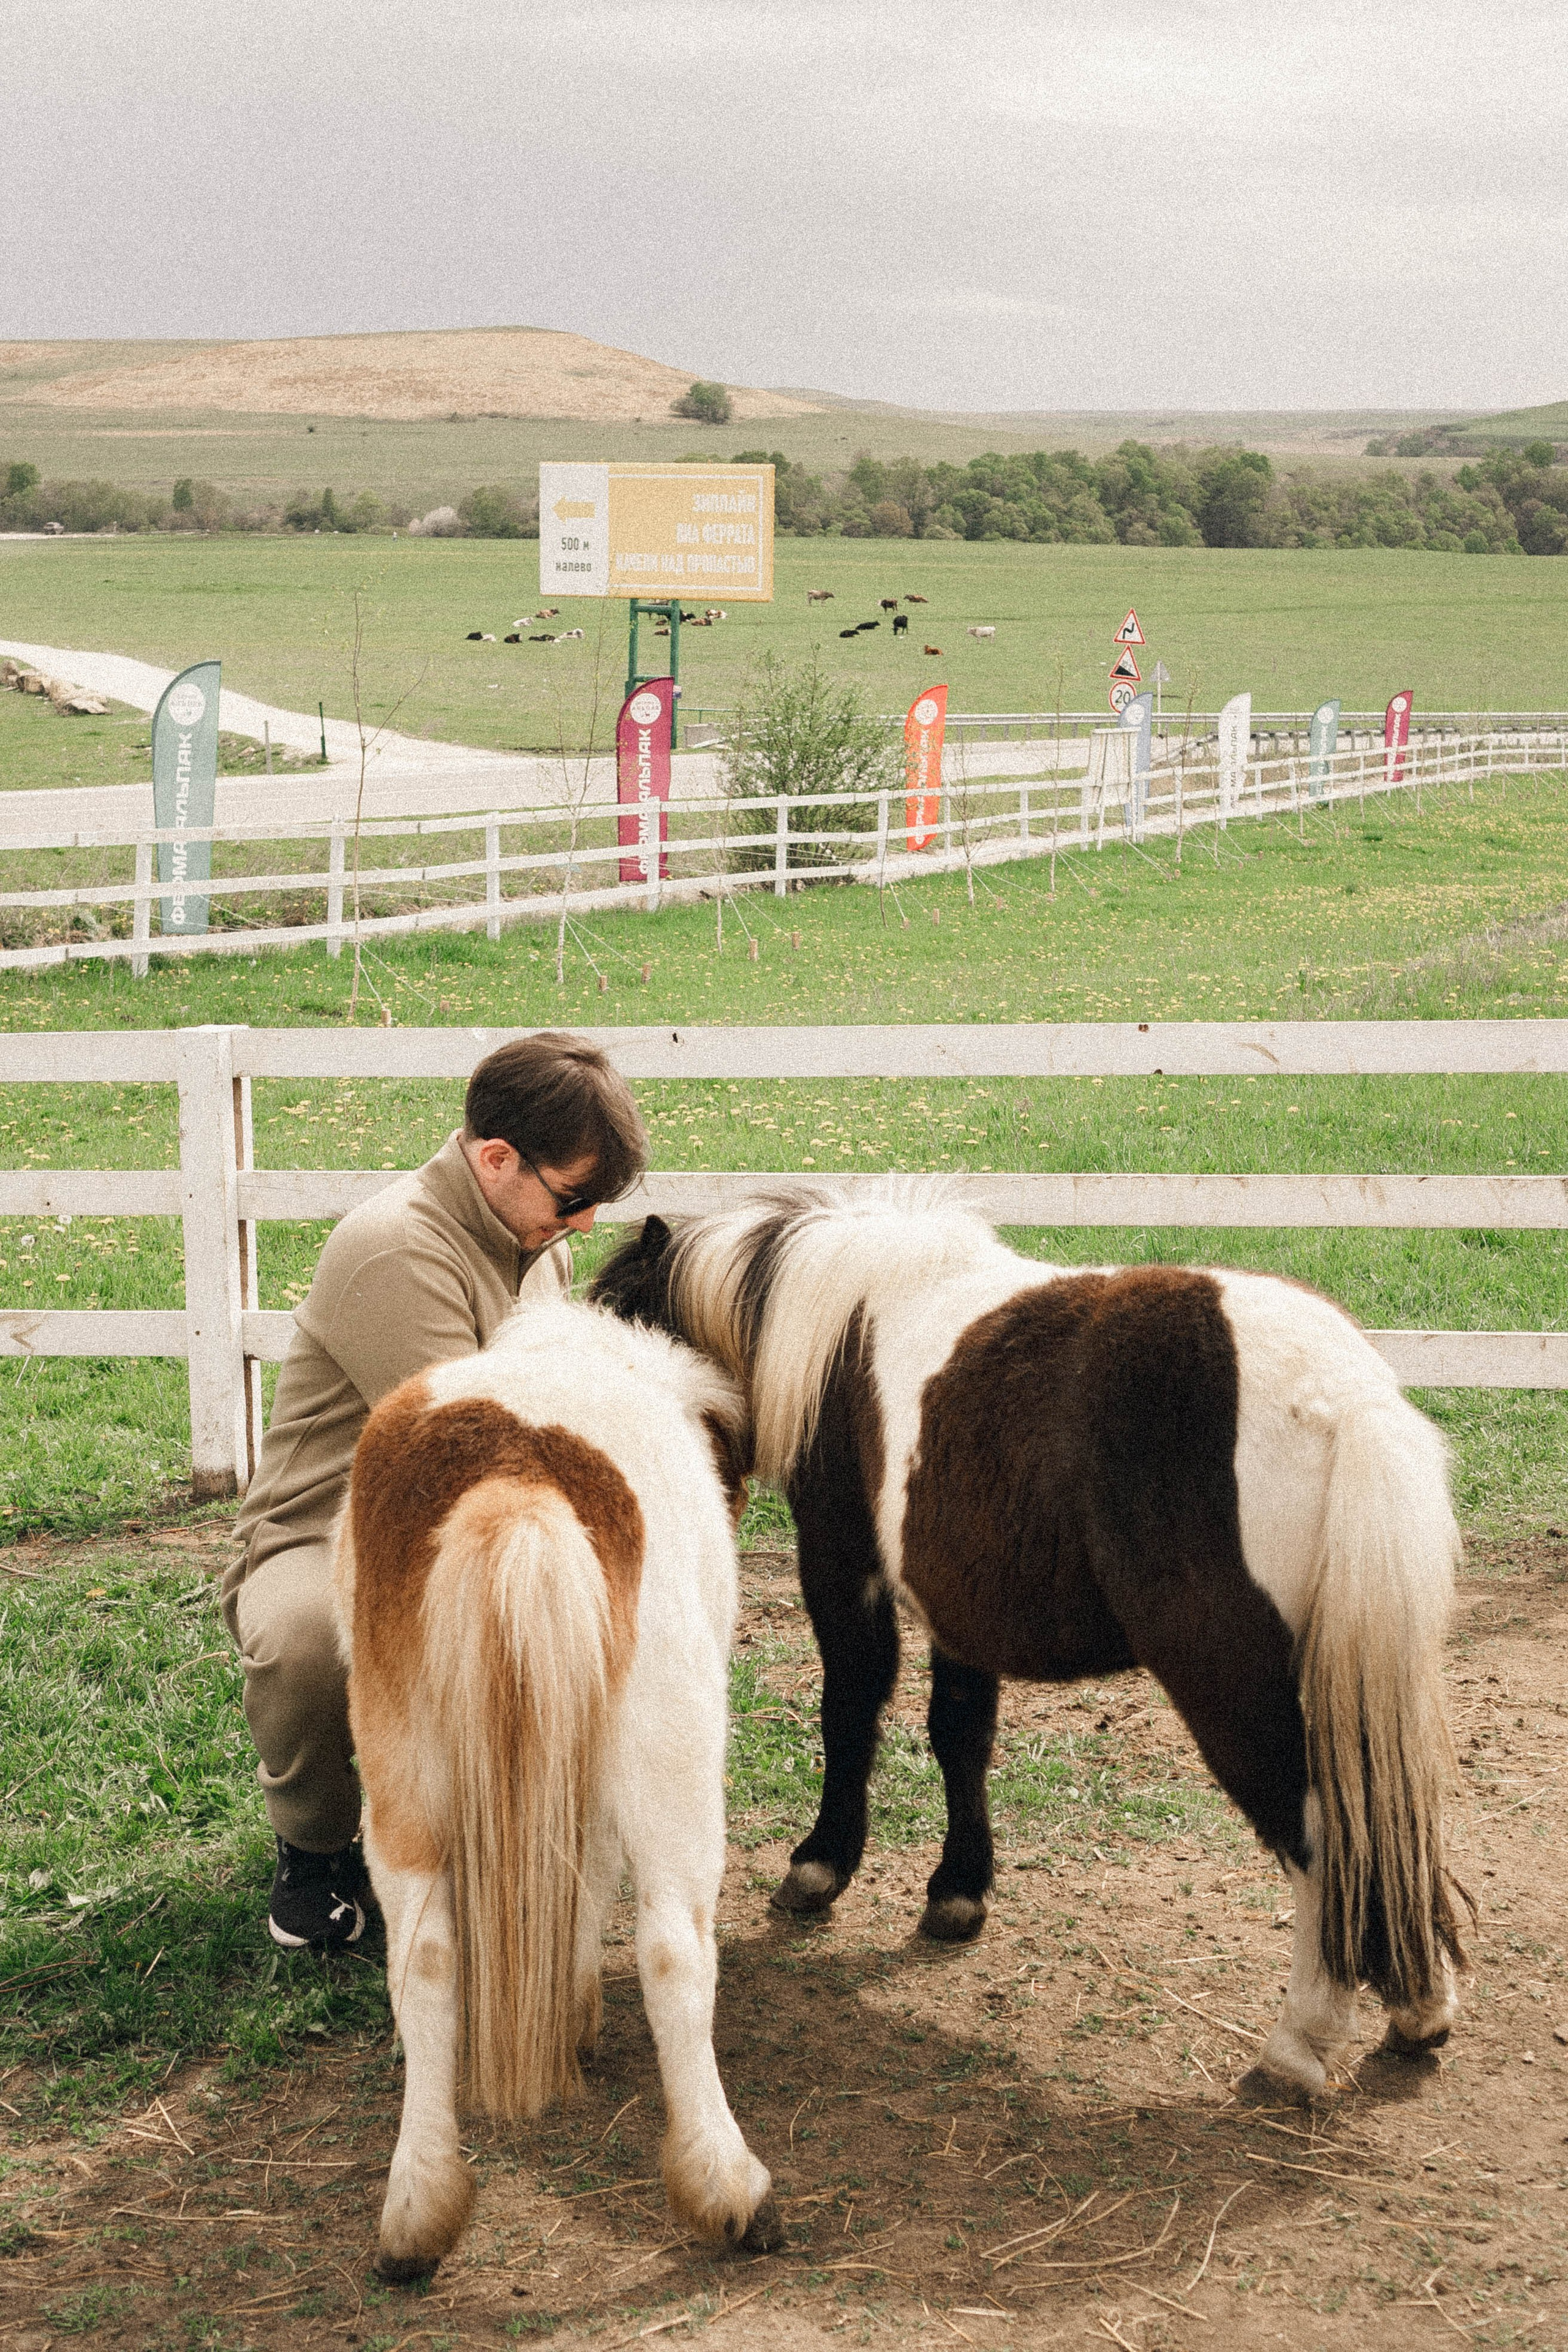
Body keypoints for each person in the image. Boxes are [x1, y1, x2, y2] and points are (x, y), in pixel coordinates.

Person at [224, 1031, 647, 1950]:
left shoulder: (531, 1237)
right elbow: (470, 1455)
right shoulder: (397, 1250)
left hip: (471, 1508)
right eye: (575, 1199)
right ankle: (317, 1857)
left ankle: (508, 1824)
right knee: (304, 1641)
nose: (583, 1225)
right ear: (497, 1159)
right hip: (332, 1528)